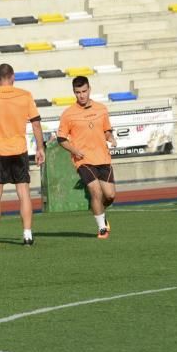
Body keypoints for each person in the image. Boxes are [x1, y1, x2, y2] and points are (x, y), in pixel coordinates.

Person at [0, 63, 46, 248]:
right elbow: (36, 125)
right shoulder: (25, 95)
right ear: (12, 76)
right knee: (23, 193)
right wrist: (40, 148)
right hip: (19, 150)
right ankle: (28, 235)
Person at [56, 76, 117, 239]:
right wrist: (75, 151)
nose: (81, 95)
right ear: (74, 93)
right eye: (78, 92)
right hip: (83, 160)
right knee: (95, 192)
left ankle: (99, 211)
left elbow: (107, 130)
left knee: (110, 195)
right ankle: (102, 228)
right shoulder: (68, 114)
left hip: (103, 158)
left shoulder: (101, 109)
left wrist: (110, 137)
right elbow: (61, 139)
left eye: (84, 91)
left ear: (89, 89)